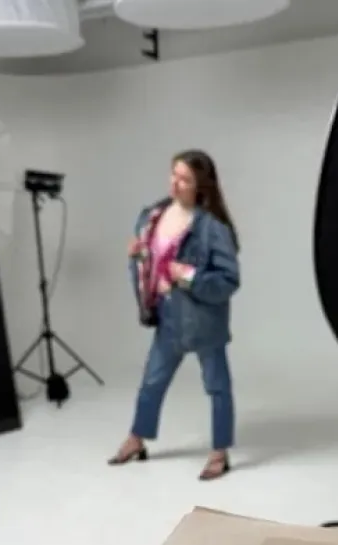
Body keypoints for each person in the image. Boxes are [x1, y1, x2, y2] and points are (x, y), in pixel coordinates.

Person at [108, 149, 241, 481]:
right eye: (174, 174)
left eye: (185, 179)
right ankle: (137, 438)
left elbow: (228, 281)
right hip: (167, 315)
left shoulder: (212, 228)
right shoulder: (152, 216)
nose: (175, 183)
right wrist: (138, 256)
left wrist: (191, 276)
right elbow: (149, 266)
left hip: (203, 321)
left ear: (201, 186)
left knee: (217, 387)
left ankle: (220, 452)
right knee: (152, 382)